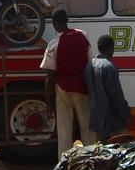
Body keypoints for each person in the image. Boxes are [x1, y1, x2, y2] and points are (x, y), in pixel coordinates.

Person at [40, 8, 95, 159]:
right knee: (87, 128)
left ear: (54, 24)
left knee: (65, 130)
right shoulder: (82, 35)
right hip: (82, 87)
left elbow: (49, 76)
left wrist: (48, 102)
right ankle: (91, 164)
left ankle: (64, 166)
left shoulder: (53, 44)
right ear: (67, 20)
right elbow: (91, 63)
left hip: (63, 88)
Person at [85, 34, 134, 143]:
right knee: (122, 152)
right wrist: (127, 113)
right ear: (111, 48)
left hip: (97, 120)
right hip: (112, 121)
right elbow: (116, 95)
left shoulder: (90, 65)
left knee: (103, 154)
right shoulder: (109, 66)